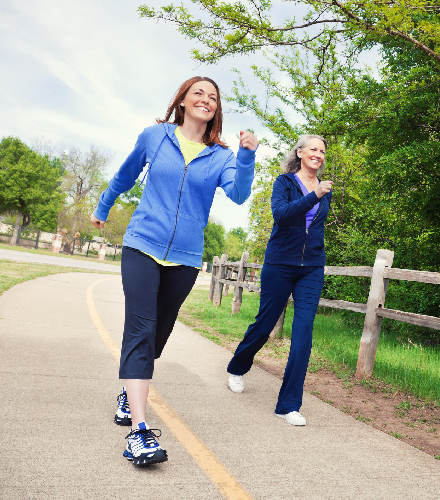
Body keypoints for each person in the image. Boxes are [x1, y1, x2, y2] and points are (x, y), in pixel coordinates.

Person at [90, 76, 257, 465]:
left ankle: (128, 393)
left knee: (158, 335)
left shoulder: (220, 157)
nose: (205, 99)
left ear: (217, 110)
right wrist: (103, 206)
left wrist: (246, 157)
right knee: (141, 328)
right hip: (142, 244)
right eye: (198, 92)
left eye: (212, 97)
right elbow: (126, 174)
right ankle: (139, 432)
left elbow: (239, 194)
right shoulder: (155, 136)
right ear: (182, 101)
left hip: (184, 258)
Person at [226, 134, 332, 426]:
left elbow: (316, 228)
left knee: (303, 332)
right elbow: (281, 215)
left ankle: (288, 405)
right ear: (299, 153)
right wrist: (315, 195)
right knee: (264, 324)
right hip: (280, 265)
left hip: (311, 268)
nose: (318, 154)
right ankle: (237, 366)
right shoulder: (284, 183)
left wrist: (319, 256)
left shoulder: (325, 189)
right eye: (313, 149)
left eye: (322, 151)